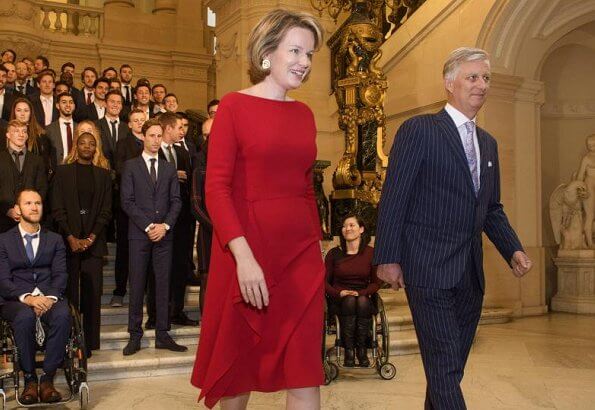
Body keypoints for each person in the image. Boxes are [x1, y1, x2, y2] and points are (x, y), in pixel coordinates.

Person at [373, 47, 533, 409]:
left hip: (470, 274)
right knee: (444, 364)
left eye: (486, 78)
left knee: (449, 368)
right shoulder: (420, 130)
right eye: (472, 77)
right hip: (427, 267)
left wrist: (514, 249)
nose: (482, 85)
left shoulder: (488, 143)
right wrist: (387, 257)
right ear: (449, 83)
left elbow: (491, 208)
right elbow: (395, 196)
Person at [191, 9, 325, 409]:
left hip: (301, 258)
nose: (304, 62)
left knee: (304, 369)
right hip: (247, 254)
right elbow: (216, 189)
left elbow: (305, 188)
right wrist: (244, 257)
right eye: (296, 50)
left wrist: (315, 246)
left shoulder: (304, 114)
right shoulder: (233, 107)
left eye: (310, 54)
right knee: (239, 368)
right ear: (267, 52)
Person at [120, 118, 186, 355]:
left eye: (159, 136)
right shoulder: (131, 166)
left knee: (162, 285)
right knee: (137, 285)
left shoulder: (169, 168)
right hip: (139, 235)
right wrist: (150, 226)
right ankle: (135, 335)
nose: (156, 140)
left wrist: (165, 226)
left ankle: (162, 334)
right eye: (152, 136)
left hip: (165, 237)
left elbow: (176, 201)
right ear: (143, 137)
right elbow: (127, 202)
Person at [0, 188, 70, 404]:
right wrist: (28, 298)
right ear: (18, 209)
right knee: (24, 317)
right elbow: (2, 279)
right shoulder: (3, 240)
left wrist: (49, 298)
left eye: (38, 203)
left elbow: (60, 274)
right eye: (28, 203)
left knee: (63, 315)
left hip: (48, 297)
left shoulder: (55, 239)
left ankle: (47, 379)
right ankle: (30, 379)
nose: (34, 207)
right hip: (15, 300)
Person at [51, 131, 111, 357]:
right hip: (68, 242)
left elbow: (106, 211)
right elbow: (57, 208)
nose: (87, 146)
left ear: (96, 148)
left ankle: (90, 343)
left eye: (91, 144)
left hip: (94, 244)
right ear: (76, 146)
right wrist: (71, 237)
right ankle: (69, 340)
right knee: (69, 294)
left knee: (93, 295)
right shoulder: (62, 172)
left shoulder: (104, 175)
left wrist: (91, 237)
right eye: (83, 143)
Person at [325, 214, 380, 367]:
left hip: (364, 297)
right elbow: (323, 282)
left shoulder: (371, 253)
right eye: (344, 226)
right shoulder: (333, 254)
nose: (347, 228)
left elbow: (376, 283)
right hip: (339, 299)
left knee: (361, 301)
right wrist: (338, 293)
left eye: (351, 225)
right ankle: (349, 350)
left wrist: (361, 293)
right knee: (349, 301)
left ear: (361, 229)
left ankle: (361, 349)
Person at [110, 109, 146, 307]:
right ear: (130, 124)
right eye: (136, 120)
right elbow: (121, 170)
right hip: (127, 207)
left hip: (148, 208)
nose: (140, 123)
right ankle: (119, 291)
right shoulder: (122, 144)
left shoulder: (151, 143)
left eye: (143, 120)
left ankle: (145, 292)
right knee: (124, 251)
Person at [0, 120, 48, 233]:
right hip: (2, 222)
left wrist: (29, 209)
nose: (21, 134)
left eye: (24, 131)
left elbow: (42, 189)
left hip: (31, 222)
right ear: (8, 135)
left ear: (27, 135)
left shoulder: (37, 161)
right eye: (16, 131)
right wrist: (7, 210)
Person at [190, 118, 213, 313]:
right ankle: (206, 323)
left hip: (229, 235)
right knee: (206, 277)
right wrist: (217, 226)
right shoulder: (200, 172)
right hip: (208, 233)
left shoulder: (232, 172)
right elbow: (196, 206)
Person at [8, 97, 55, 178]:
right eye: (19, 110)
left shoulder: (41, 136)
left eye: (26, 111)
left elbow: (45, 165)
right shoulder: (5, 133)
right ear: (14, 112)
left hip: (33, 181)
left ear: (31, 113)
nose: (22, 114)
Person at [97, 90, 128, 169]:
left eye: (118, 102)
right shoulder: (96, 125)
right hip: (102, 169)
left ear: (121, 106)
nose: (115, 105)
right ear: (105, 104)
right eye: (112, 101)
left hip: (122, 173)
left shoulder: (127, 128)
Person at [45, 92, 76, 166]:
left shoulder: (80, 128)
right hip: (57, 171)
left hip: (77, 171)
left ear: (74, 106)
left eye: (71, 102)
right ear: (57, 106)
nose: (68, 105)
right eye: (64, 102)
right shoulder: (48, 129)